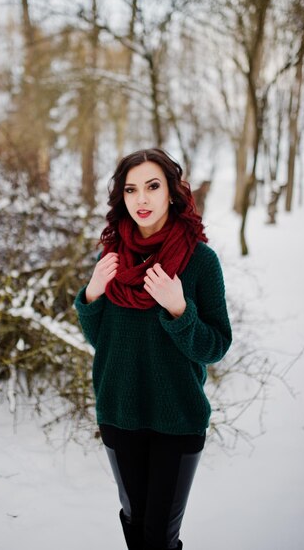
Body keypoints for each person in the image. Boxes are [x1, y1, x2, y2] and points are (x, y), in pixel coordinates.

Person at [74, 148, 232, 550]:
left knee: (159, 535)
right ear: (121, 198)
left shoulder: (200, 261)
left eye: (152, 186)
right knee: (133, 518)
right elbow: (102, 342)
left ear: (172, 193)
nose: (141, 199)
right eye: (131, 189)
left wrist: (179, 309)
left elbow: (215, 346)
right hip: (119, 414)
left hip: (177, 418)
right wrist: (91, 295)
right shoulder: (110, 258)